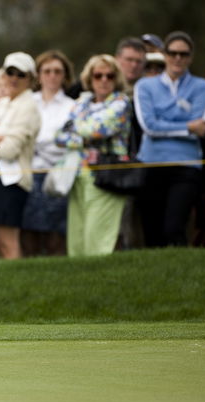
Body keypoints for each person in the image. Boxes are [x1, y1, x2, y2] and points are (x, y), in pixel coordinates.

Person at [134, 31, 205, 247]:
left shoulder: (202, 87)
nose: (178, 58)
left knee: (174, 228)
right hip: (151, 163)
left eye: (183, 54)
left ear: (190, 57)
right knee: (152, 230)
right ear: (165, 55)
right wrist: (187, 125)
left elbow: (202, 125)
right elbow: (149, 126)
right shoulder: (145, 86)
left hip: (186, 166)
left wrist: (163, 117)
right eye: (173, 53)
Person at [56, 54, 132, 257]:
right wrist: (86, 133)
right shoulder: (83, 100)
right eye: (98, 75)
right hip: (78, 175)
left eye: (110, 75)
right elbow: (60, 136)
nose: (104, 80)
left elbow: (97, 130)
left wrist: (78, 127)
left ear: (117, 78)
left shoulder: (121, 103)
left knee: (97, 241)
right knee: (77, 241)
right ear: (90, 79)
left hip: (105, 176)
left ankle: (100, 284)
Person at [0, 52, 41, 259]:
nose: (14, 78)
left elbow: (9, 150)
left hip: (13, 179)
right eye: (10, 72)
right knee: (1, 240)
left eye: (21, 74)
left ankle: (18, 285)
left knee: (8, 240)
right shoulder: (4, 103)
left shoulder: (29, 106)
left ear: (31, 79)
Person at [22, 50, 75, 257]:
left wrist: (37, 141)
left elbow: (65, 143)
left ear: (65, 75)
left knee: (55, 237)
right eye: (47, 71)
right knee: (29, 236)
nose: (52, 75)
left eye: (57, 71)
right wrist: (50, 139)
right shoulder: (28, 101)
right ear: (39, 74)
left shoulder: (72, 106)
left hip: (57, 175)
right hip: (28, 173)